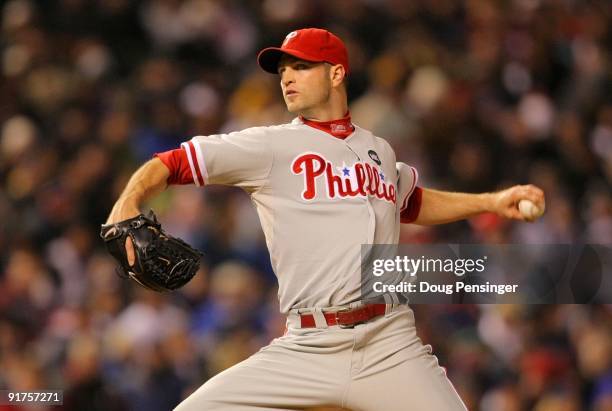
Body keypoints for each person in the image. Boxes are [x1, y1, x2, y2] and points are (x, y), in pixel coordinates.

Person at [106, 28, 545, 411]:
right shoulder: (269, 147)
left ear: (336, 73)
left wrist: (491, 201)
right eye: (282, 71)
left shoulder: (381, 150)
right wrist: (127, 203)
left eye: (300, 66)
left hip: (389, 342)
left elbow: (411, 203)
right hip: (307, 346)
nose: (287, 78)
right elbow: (170, 163)